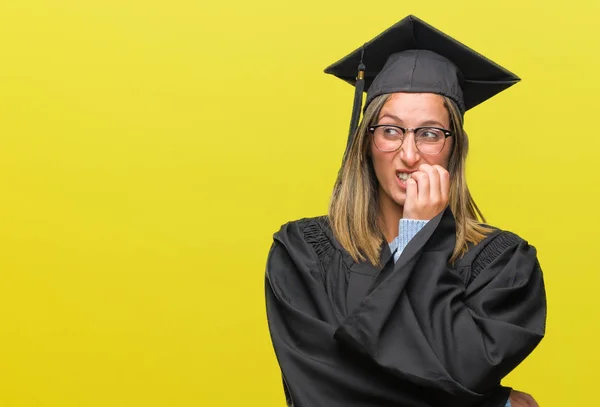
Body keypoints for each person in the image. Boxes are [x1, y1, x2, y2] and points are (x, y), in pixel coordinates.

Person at [264, 15, 546, 407]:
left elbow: (466, 368)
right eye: (391, 130)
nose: (408, 155)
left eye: (429, 133)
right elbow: (325, 393)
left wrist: (422, 234)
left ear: (454, 148)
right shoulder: (304, 252)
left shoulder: (503, 264)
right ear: (366, 141)